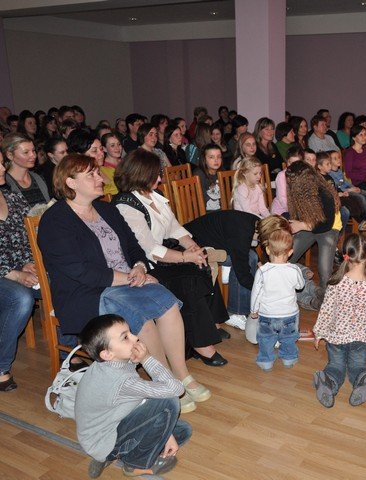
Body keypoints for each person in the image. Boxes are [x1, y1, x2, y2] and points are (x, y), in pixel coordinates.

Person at [38, 154, 210, 413]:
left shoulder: (107, 209)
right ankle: (164, 382)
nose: (100, 178)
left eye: (98, 172)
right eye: (91, 175)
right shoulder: (55, 221)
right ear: (70, 182)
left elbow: (133, 246)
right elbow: (80, 271)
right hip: (86, 293)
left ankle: (182, 375)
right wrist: (130, 277)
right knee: (142, 319)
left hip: (127, 282)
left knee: (168, 304)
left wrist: (139, 266)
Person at [113, 148, 229, 367]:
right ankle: (201, 344)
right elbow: (149, 248)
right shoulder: (126, 205)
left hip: (161, 253)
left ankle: (210, 325)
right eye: (155, 175)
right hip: (145, 263)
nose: (159, 179)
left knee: (201, 262)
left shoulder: (153, 195)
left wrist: (193, 248)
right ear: (140, 174)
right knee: (188, 278)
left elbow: (174, 228)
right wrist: (185, 256)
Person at [76, 314, 192, 478]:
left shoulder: (107, 363)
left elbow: (136, 399)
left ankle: (113, 455)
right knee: (170, 402)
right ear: (107, 354)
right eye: (125, 337)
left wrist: (167, 434)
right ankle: (134, 464)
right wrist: (147, 359)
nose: (135, 337)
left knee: (183, 430)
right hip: (104, 440)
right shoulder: (121, 382)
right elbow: (177, 389)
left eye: (130, 332)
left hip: (109, 428)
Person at [312, 234, 366, 408]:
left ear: (345, 257)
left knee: (335, 367)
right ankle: (362, 379)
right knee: (357, 367)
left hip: (336, 337)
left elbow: (326, 310)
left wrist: (319, 332)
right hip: (361, 338)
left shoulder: (335, 283)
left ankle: (328, 383)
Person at [0, 150, 38, 392]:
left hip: (17, 267)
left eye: (1, 163)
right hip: (3, 274)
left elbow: (29, 237)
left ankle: (69, 352)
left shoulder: (12, 197)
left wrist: (28, 263)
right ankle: (1, 366)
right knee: (21, 298)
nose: (3, 169)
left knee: (61, 278)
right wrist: (15, 274)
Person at [250, 221, 305, 371]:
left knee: (266, 339)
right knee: (288, 339)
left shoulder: (262, 271)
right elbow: (300, 286)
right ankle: (289, 359)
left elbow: (256, 294)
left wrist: (254, 311)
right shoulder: (294, 270)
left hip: (267, 315)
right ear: (290, 252)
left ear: (268, 250)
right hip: (289, 314)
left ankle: (266, 362)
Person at [287, 162, 341, 305]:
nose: (290, 183)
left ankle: (324, 300)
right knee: (285, 259)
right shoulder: (297, 190)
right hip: (308, 226)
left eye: (293, 181)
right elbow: (299, 216)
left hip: (329, 228)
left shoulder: (324, 191)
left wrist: (301, 225)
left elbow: (326, 224)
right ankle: (299, 287)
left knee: (324, 270)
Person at [2, 132, 50, 208]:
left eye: (33, 150)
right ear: (10, 155)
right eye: (26, 152)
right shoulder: (5, 184)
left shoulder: (39, 178)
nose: (33, 155)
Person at [271, 145, 302, 216]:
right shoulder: (281, 176)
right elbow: (282, 199)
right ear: (286, 161)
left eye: (296, 164)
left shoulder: (303, 175)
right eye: (290, 163)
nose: (292, 166)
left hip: (298, 210)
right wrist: (295, 212)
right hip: (281, 212)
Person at [195, 143, 224, 212]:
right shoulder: (199, 175)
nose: (216, 160)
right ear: (204, 159)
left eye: (219, 157)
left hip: (222, 208)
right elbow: (201, 200)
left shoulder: (222, 172)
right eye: (211, 157)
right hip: (207, 211)